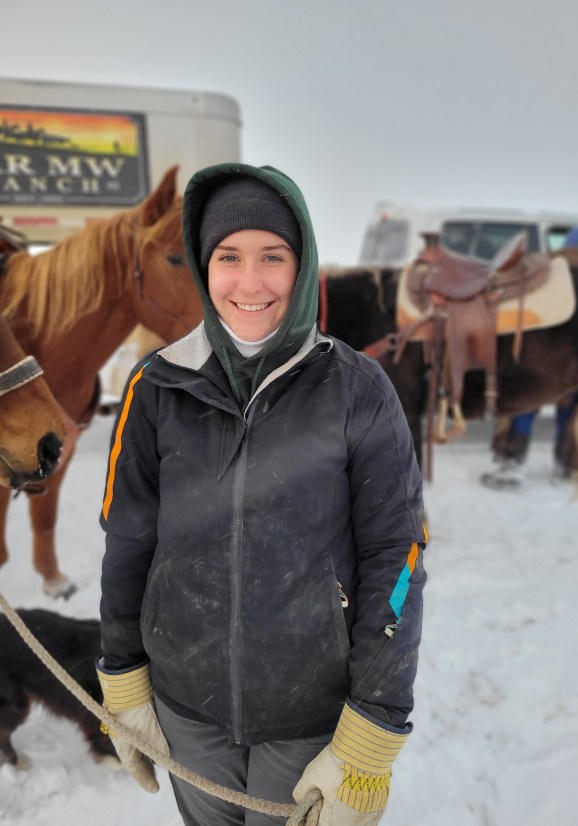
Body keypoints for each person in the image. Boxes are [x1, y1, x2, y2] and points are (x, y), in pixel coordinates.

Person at [96, 163, 427, 825]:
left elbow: (398, 558)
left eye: (272, 256)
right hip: (187, 711)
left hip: (312, 718)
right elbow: (128, 542)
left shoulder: (358, 389)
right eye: (229, 257)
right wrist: (124, 681)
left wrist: (371, 730)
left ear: (301, 265)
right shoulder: (154, 387)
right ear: (203, 265)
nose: (250, 283)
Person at [480, 225, 578, 490]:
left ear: (566, 244)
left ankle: (514, 463)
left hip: (541, 358)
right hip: (576, 362)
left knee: (526, 407)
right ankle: (565, 466)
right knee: (569, 411)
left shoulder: (547, 271)